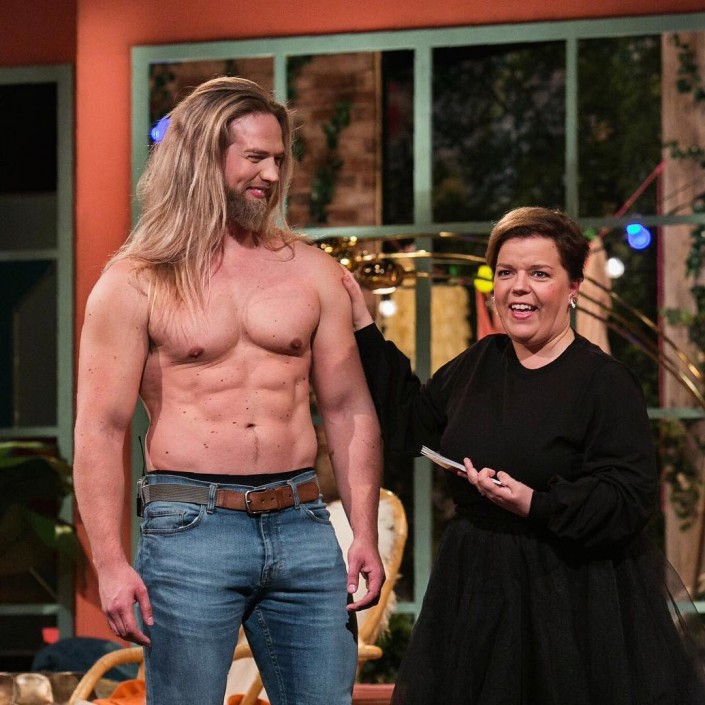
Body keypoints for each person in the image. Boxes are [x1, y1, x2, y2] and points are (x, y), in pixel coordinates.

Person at [73, 76, 384, 705]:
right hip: (189, 527)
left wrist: (364, 532)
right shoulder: (136, 281)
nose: (272, 173)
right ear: (203, 158)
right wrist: (109, 562)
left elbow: (349, 408)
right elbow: (101, 428)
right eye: (255, 157)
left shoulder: (312, 272)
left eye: (279, 159)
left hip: (301, 522)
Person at [342, 206, 705, 705]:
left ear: (573, 287)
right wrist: (362, 323)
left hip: (568, 599)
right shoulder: (479, 363)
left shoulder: (604, 382)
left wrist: (536, 504)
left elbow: (629, 498)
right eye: (506, 272)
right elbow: (411, 424)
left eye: (539, 274)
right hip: (477, 590)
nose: (518, 288)